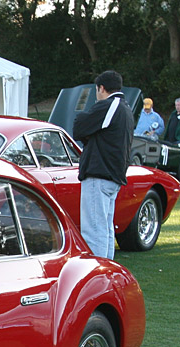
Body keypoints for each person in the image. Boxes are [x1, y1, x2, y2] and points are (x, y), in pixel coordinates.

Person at [72, 70, 133, 260]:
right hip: (113, 176)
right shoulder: (126, 108)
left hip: (99, 175)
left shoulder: (109, 106)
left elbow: (79, 127)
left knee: (93, 230)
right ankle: (107, 269)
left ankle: (97, 274)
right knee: (105, 229)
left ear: (101, 88)